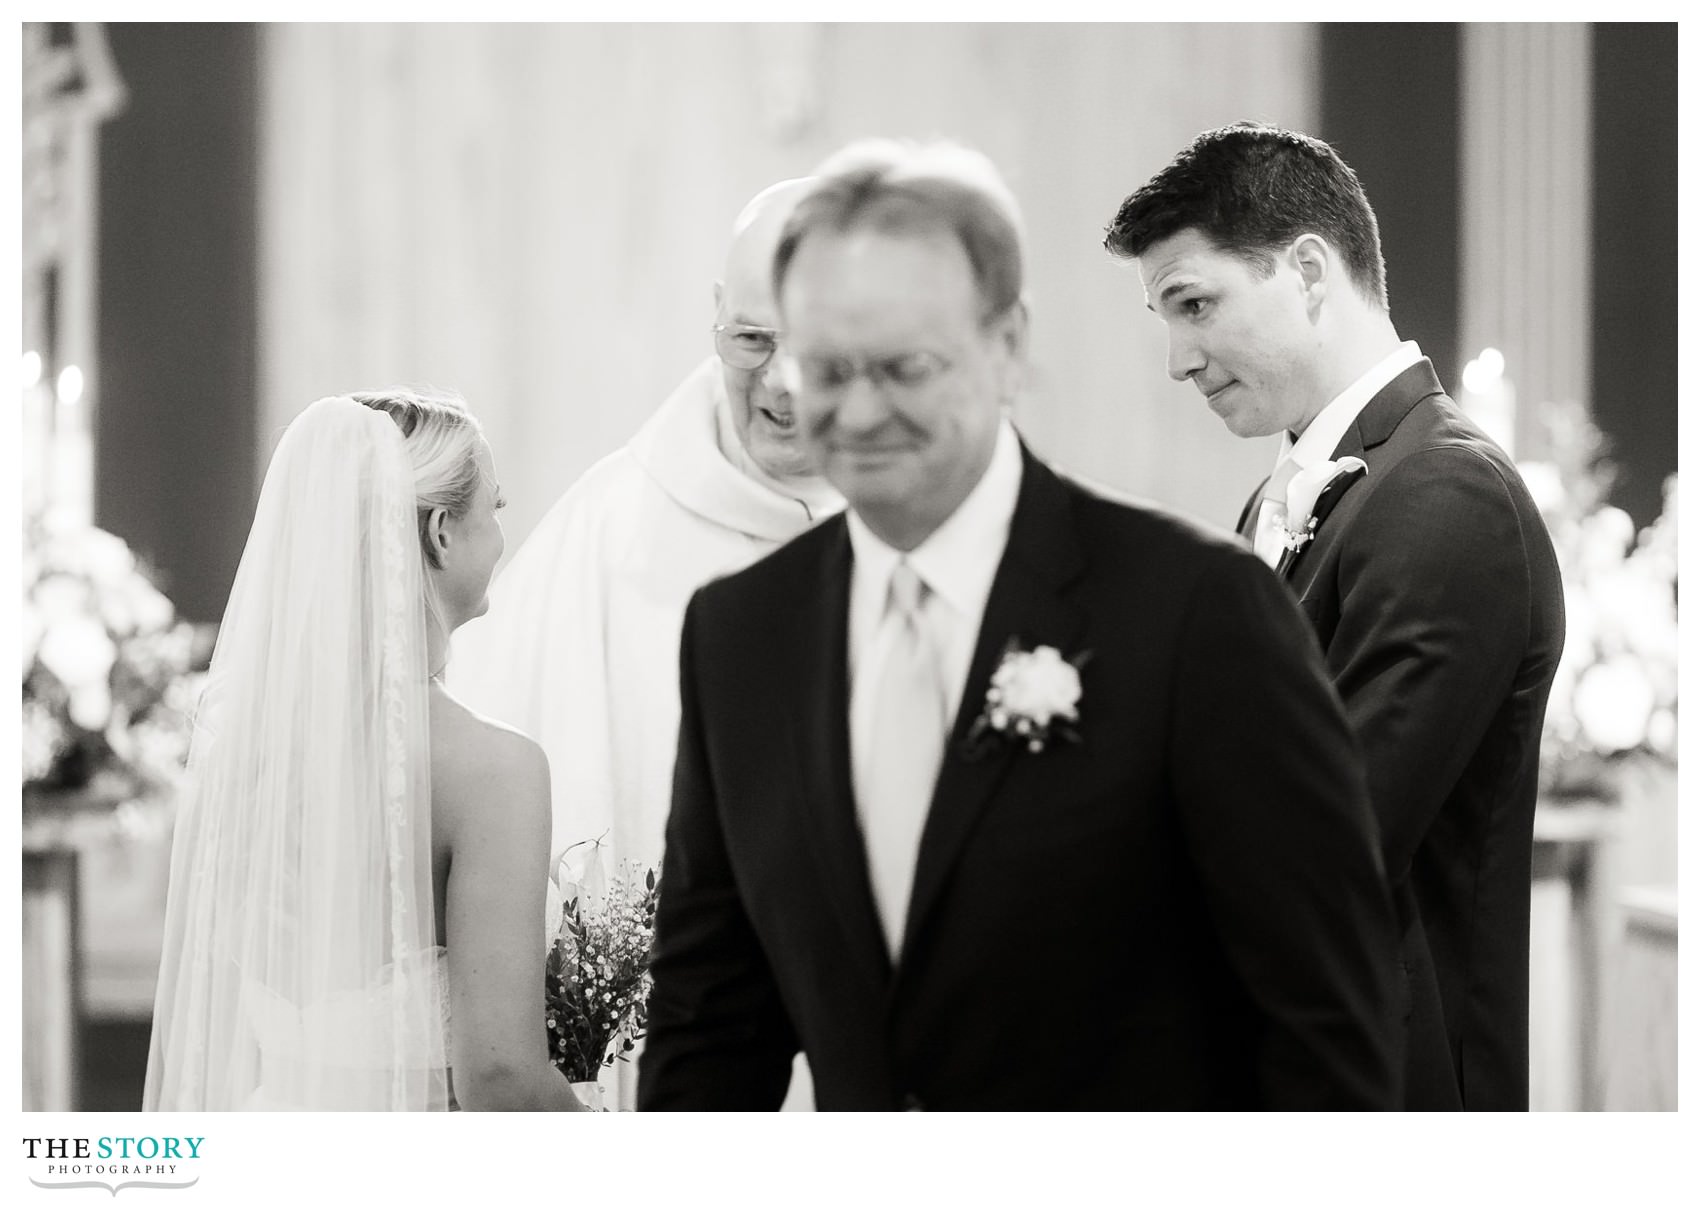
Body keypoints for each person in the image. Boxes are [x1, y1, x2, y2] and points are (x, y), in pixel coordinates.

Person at [638, 139, 1403, 1111]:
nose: (858, 412)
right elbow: (709, 1025)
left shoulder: (1193, 612)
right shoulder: (742, 635)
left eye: (904, 366)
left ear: (1005, 344)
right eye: (826, 366)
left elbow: (1325, 1029)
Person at [1104, 122, 1566, 1110]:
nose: (1177, 359)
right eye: (1163, 319)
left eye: (1193, 304)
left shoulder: (1446, 496)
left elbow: (1328, 843)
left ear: (1308, 272)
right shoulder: (1286, 498)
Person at [448, 179, 841, 1110]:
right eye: (752, 341)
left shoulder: (939, 528)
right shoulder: (608, 530)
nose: (782, 384)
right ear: (715, 319)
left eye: (818, 349)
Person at [144, 390, 586, 1111]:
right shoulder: (494, 773)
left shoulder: (240, 753)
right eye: (494, 510)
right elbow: (502, 1080)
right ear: (441, 531)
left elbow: (217, 1019)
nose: (502, 535)